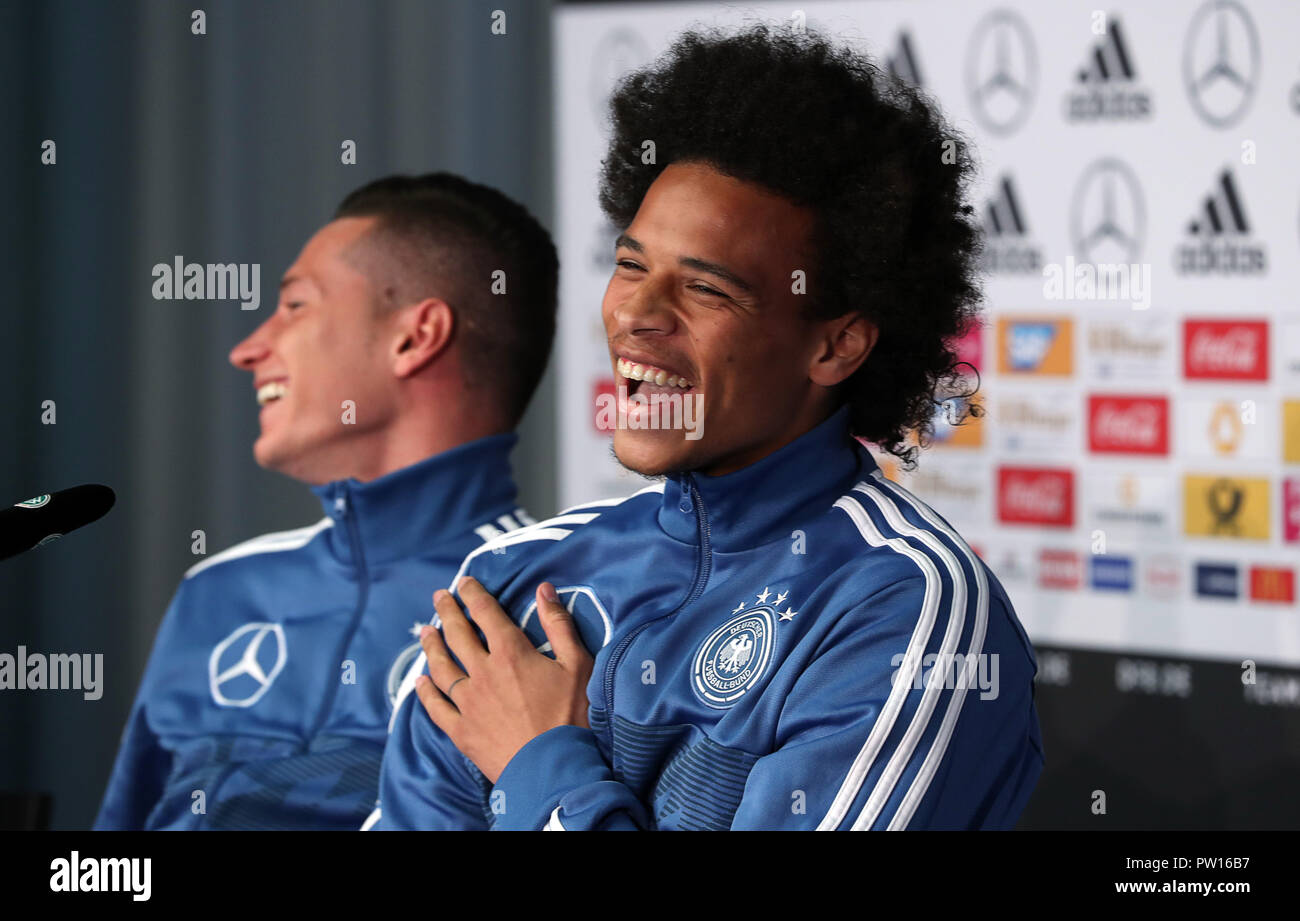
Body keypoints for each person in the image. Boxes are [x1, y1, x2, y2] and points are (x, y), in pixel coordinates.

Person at [373, 23, 1043, 831]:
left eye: (708, 290)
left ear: (835, 344)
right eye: (630, 266)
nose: (637, 317)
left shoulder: (904, 610)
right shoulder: (512, 575)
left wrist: (537, 762)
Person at [95, 173, 558, 830]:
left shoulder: (551, 598)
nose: (247, 349)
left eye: (294, 306)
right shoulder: (217, 591)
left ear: (414, 337)